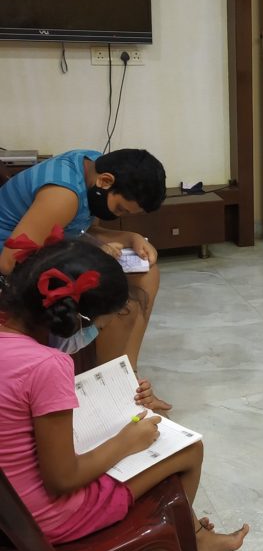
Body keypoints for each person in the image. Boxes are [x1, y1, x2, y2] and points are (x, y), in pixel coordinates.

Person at [0, 237, 248, 551]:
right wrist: (127, 442)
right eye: (97, 328)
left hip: (9, 509)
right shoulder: (47, 365)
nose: (91, 338)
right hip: (41, 521)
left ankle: (193, 534)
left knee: (137, 430)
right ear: (73, 319)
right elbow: (62, 479)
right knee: (188, 450)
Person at [0, 148, 170, 410]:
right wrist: (91, 252)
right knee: (122, 303)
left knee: (147, 273)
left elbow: (80, 227)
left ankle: (127, 378)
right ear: (106, 181)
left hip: (51, 250)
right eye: (120, 209)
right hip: (14, 264)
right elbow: (9, 261)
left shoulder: (93, 165)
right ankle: (111, 391)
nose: (119, 216)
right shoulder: (63, 194)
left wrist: (131, 238)